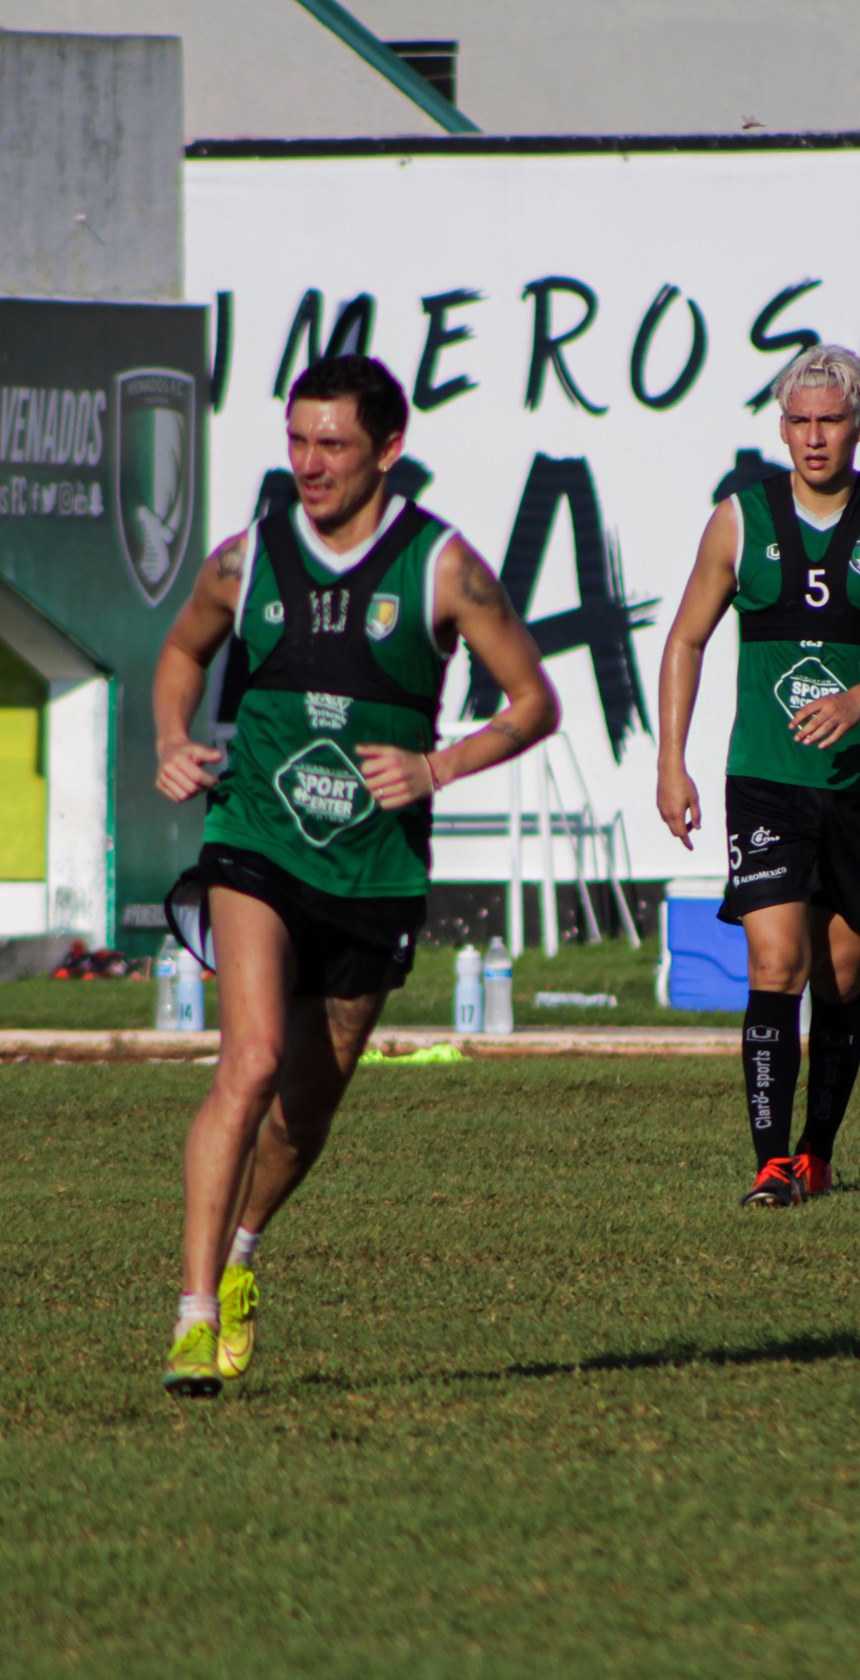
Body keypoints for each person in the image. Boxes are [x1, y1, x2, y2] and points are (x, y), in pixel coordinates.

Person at [152, 354, 559, 1394]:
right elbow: (182, 652)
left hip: (373, 871)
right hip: (254, 841)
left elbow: (532, 701)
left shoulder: (441, 565)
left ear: (388, 447)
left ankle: (241, 1251)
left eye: (331, 444)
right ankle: (192, 1313)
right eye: (295, 441)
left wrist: (436, 764)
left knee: (304, 1111)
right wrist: (169, 734)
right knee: (245, 1060)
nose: (309, 463)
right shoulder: (246, 561)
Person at [656, 344, 860, 1206]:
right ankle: (769, 1162)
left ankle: (818, 1151)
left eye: (830, 422)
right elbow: (686, 639)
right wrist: (671, 763)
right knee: (775, 965)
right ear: (781, 429)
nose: (814, 439)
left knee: (843, 977)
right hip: (766, 782)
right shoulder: (739, 520)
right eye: (799, 422)